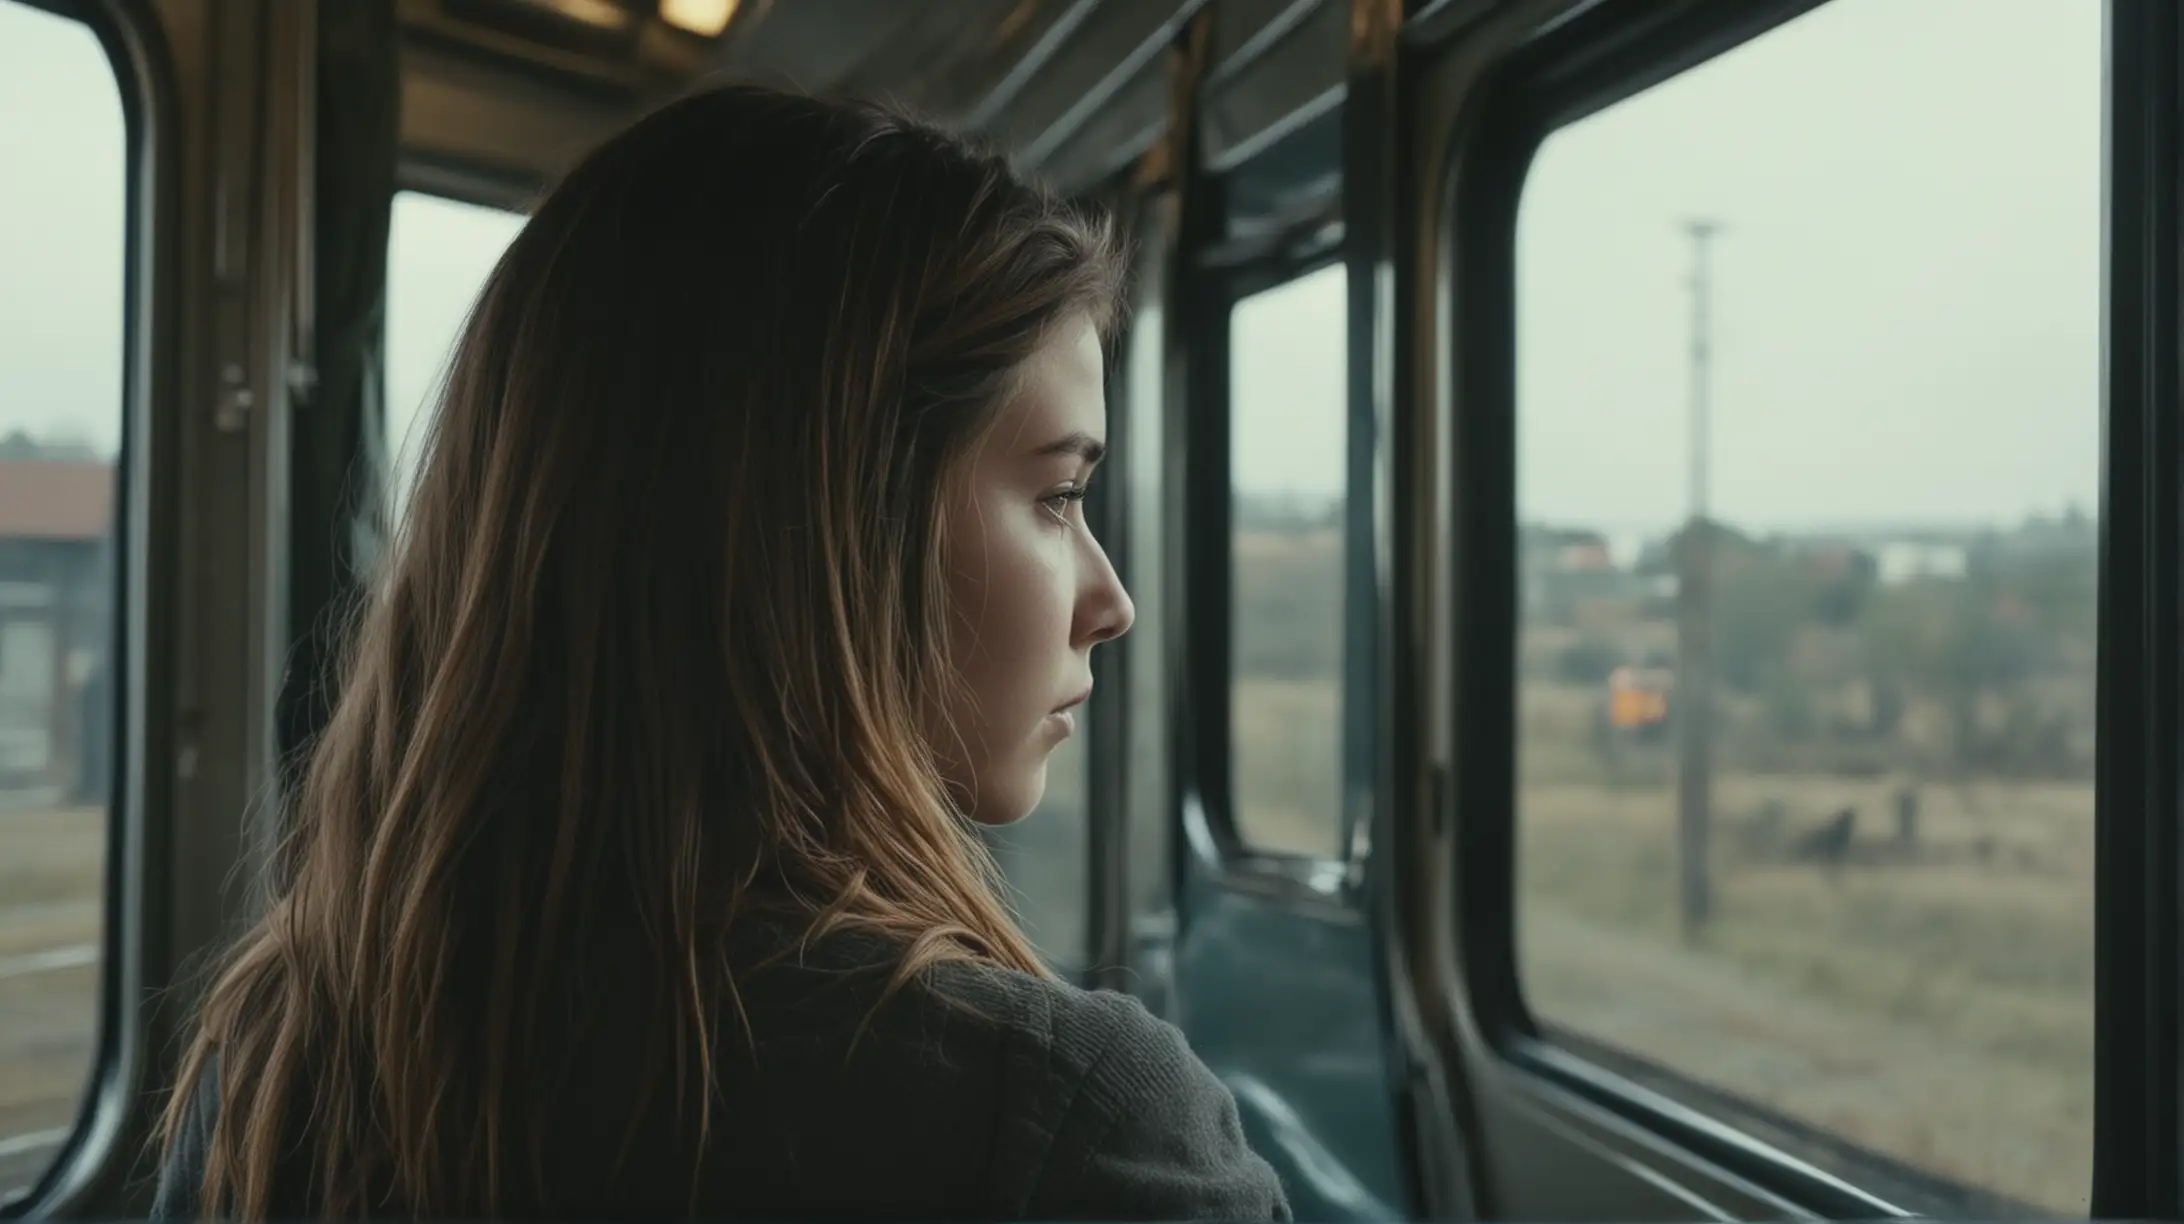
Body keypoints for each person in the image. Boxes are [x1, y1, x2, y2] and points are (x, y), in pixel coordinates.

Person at [151, 84, 1290, 1222]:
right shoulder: (1067, 1129)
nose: (1113, 601)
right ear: (825, 527)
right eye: (1057, 495)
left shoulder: (277, 1056)